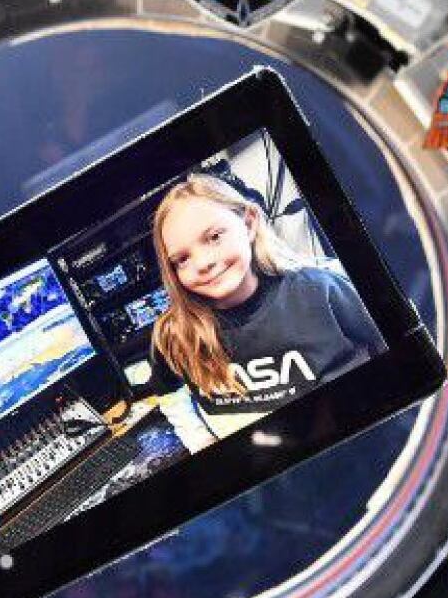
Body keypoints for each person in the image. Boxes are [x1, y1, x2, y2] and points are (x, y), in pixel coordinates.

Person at [147, 173, 383, 451]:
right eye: (182, 259)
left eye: (213, 237)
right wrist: (201, 442)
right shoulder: (172, 334)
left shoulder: (321, 289)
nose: (203, 263)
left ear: (248, 223)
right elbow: (170, 395)